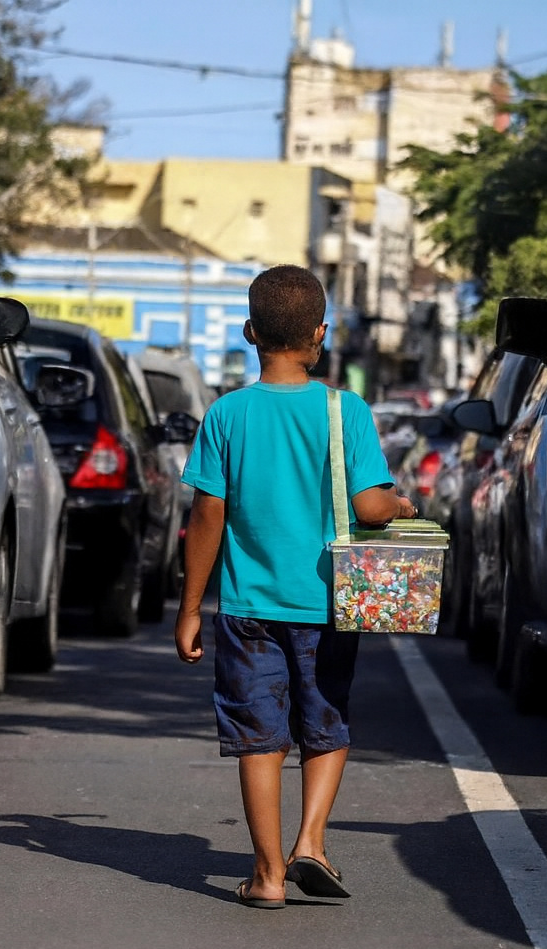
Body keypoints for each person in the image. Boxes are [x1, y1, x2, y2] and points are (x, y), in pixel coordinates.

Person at [174, 264, 415, 909]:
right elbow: (368, 505)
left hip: (249, 606)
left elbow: (207, 517)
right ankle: (311, 840)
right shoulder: (346, 410)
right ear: (321, 335)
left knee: (259, 736)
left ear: (250, 332)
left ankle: (268, 874)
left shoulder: (226, 415)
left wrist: (191, 607)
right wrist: (400, 506)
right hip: (329, 602)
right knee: (325, 721)